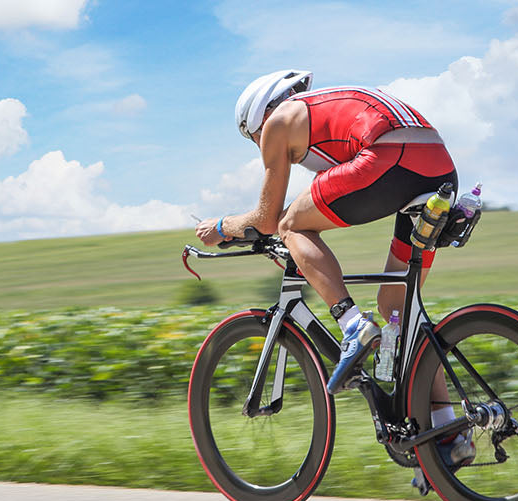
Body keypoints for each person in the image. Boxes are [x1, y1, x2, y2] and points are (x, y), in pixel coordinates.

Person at [194, 69, 473, 475]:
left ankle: (352, 325)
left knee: (291, 225)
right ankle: (450, 434)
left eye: (253, 140)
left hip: (387, 156)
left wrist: (221, 228)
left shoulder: (278, 120)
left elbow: (268, 219)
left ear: (258, 118)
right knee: (397, 305)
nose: (262, 148)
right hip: (438, 168)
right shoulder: (329, 104)